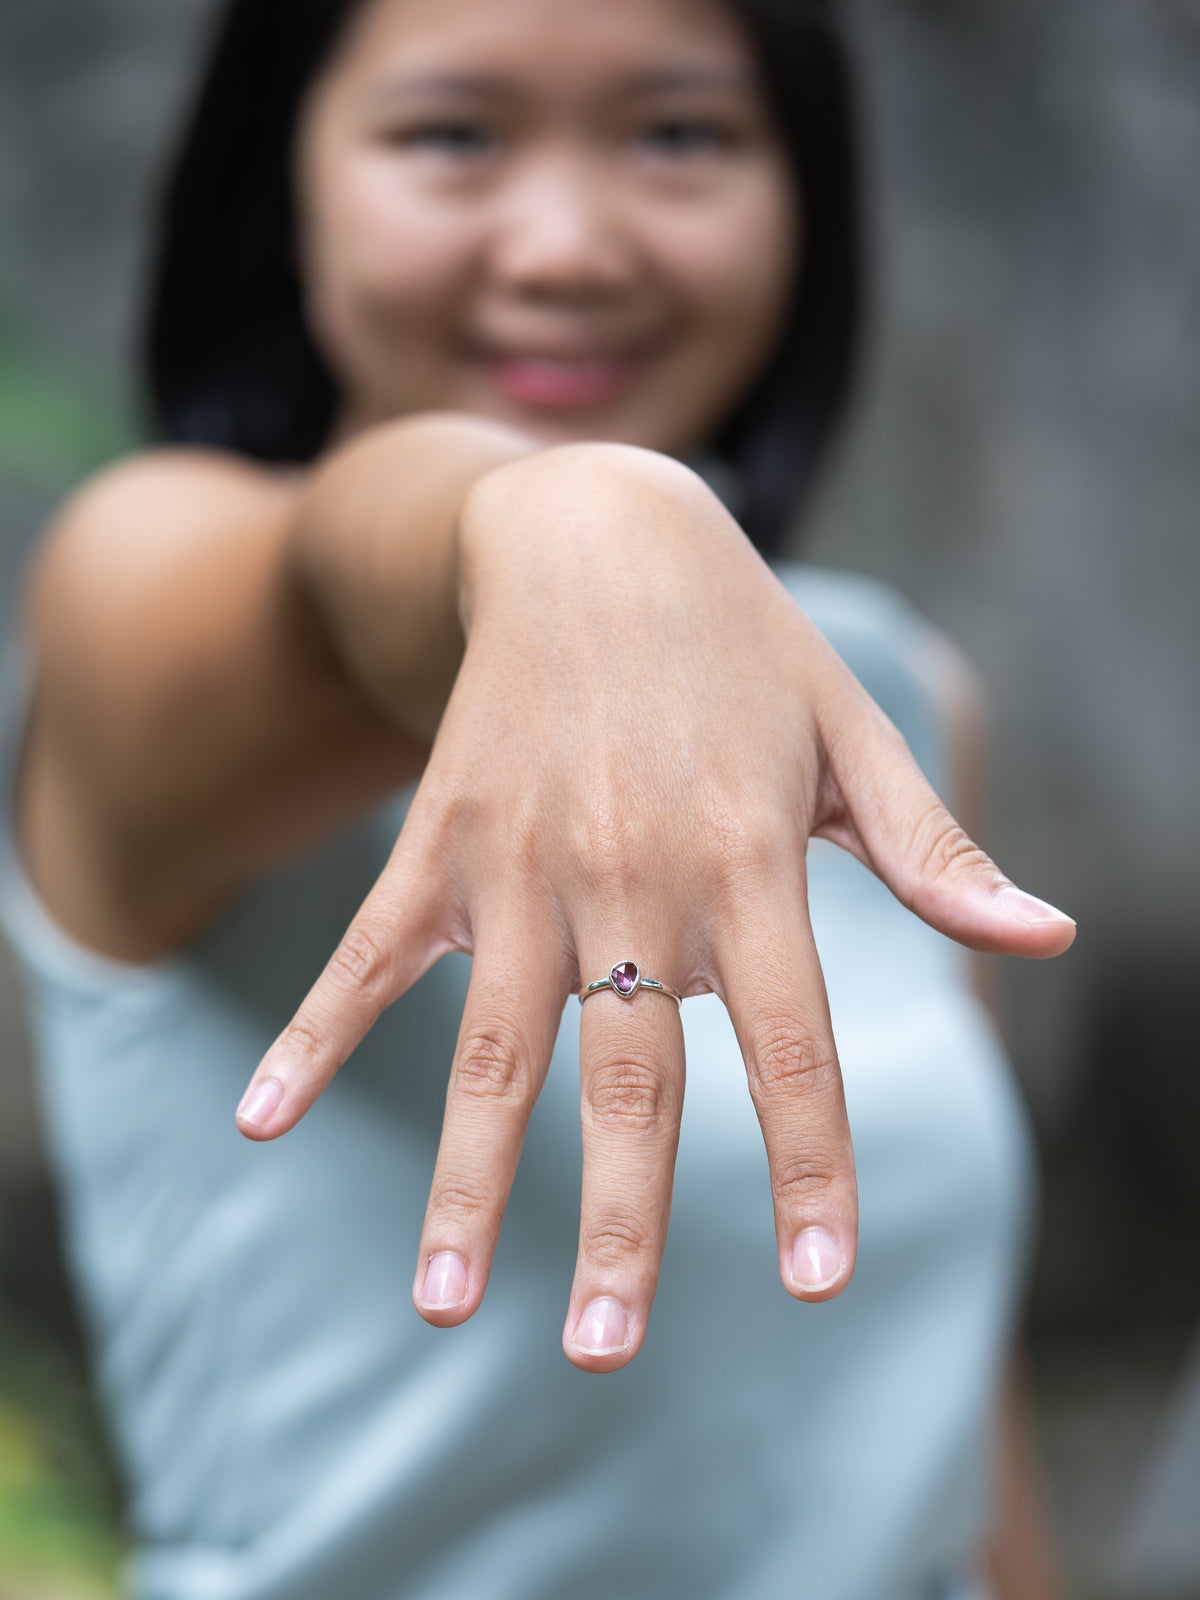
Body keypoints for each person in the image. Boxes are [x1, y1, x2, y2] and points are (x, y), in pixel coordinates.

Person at [0, 0, 1076, 1595]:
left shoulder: (897, 695)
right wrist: (571, 512)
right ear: (281, 190)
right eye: (450, 134)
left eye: (678, 134)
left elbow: (945, 1415)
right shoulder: (149, 608)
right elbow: (331, 577)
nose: (569, 245)